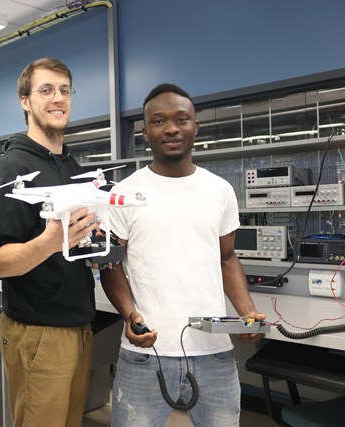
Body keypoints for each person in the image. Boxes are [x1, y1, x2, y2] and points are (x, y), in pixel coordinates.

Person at [100, 83, 266, 427]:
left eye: (181, 119)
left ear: (195, 127)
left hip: (213, 352)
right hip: (146, 353)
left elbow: (227, 258)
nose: (172, 128)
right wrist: (131, 316)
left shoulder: (219, 190)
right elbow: (111, 265)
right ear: (146, 133)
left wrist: (246, 311)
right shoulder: (124, 193)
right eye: (159, 121)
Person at [0, 57, 99, 427]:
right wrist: (51, 241)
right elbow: (0, 261)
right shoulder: (13, 169)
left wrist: (95, 245)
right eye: (46, 90)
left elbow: (71, 247)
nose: (58, 98)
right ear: (25, 101)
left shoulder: (71, 168)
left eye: (65, 90)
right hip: (39, 333)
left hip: (79, 326)